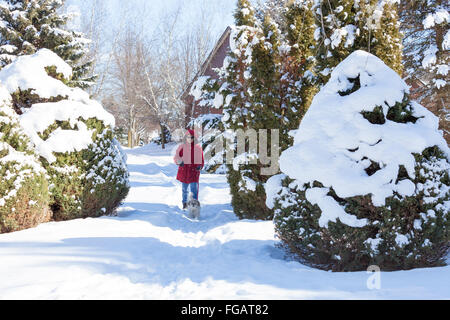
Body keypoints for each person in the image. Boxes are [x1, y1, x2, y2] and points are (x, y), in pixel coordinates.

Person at [174, 129, 204, 209]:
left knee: (194, 189)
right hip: (184, 171)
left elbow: (201, 159)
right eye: (188, 137)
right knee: (184, 189)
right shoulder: (182, 147)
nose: (190, 139)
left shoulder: (197, 148)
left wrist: (200, 165)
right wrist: (179, 161)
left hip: (194, 171)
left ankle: (194, 204)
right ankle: (185, 203)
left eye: (192, 137)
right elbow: (176, 157)